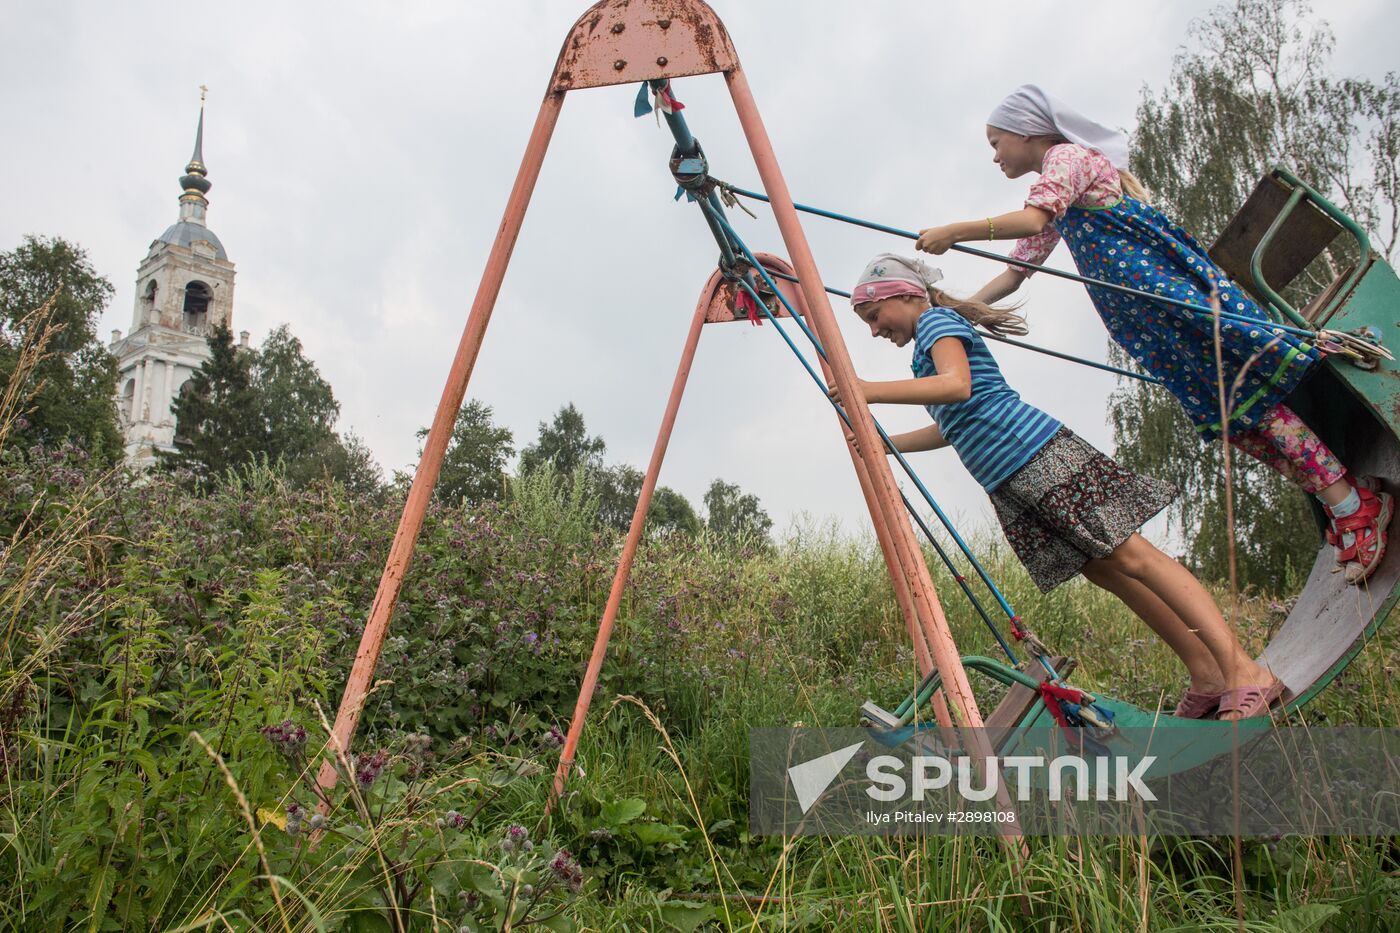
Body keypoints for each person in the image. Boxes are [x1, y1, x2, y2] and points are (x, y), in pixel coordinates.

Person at [914, 84, 1390, 585]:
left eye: (996, 142)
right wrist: (962, 311)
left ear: (1027, 131)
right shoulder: (1062, 202)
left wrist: (956, 231)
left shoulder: (1068, 158)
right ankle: (1341, 499)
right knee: (1232, 420)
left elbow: (1032, 217)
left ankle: (1353, 502)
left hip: (1175, 305)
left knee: (1250, 402)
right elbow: (1016, 271)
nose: (994, 156)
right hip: (1153, 327)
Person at [833, 253, 1281, 719]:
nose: (875, 330)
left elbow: (957, 385)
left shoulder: (936, 322)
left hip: (1039, 456)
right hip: (1010, 479)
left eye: (874, 316)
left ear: (905, 295)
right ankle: (1206, 674)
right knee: (1105, 571)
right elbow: (952, 425)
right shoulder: (921, 354)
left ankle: (1244, 671)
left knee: (1134, 557)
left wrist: (865, 389)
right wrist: (886, 446)